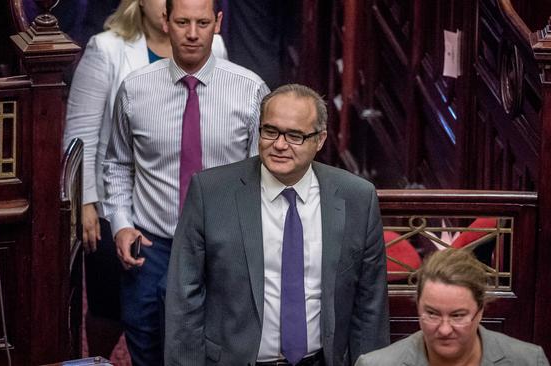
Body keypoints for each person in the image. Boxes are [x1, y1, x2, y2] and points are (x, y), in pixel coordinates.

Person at [165, 84, 390, 365]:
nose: (280, 145)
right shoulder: (210, 192)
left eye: (295, 135)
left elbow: (370, 305)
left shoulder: (357, 197)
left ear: (319, 140)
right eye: (270, 131)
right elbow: (185, 297)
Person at [101, 0, 269, 364]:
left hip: (220, 248)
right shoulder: (135, 89)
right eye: (182, 22)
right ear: (165, 22)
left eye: (202, 22)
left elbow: (264, 176)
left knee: (217, 352)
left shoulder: (250, 90)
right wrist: (121, 225)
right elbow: (116, 163)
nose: (193, 34)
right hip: (151, 247)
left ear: (218, 23)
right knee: (146, 348)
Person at [63, 0, 228, 360]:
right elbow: (81, 132)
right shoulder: (107, 48)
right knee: (111, 304)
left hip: (182, 198)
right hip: (114, 202)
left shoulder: (210, 44)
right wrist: (85, 202)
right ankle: (101, 359)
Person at [356, 249, 549, 366]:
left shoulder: (528, 360)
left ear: (480, 311)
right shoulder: (376, 364)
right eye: (432, 314)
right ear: (418, 308)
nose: (445, 329)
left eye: (458, 316)